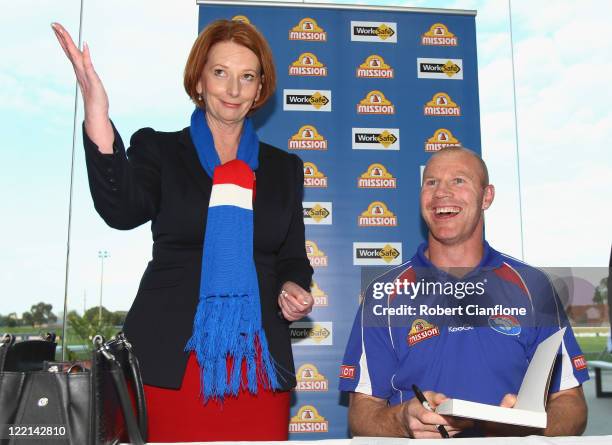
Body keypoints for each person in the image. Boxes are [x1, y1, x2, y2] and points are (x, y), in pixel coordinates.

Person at [52, 19, 314, 442]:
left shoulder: (284, 168)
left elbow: (292, 258)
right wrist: (97, 113)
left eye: (247, 77)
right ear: (199, 80)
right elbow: (120, 210)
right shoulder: (160, 148)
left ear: (260, 87)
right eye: (220, 73)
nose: (233, 90)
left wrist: (293, 287)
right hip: (170, 361)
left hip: (258, 364)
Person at [339, 146, 589, 438]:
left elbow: (571, 403)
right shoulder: (384, 294)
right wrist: (402, 420)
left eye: (459, 180)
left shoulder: (534, 288)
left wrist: (533, 426)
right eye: (431, 182)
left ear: (487, 196)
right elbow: (361, 413)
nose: (442, 192)